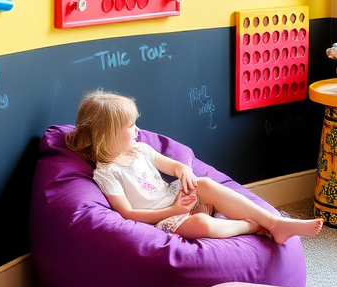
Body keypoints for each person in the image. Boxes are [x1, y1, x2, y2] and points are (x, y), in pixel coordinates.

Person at [66, 89, 322, 243]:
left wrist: (185, 172)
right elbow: (128, 214)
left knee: (206, 183)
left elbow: (175, 166)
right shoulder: (107, 173)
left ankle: (273, 222)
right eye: (131, 126)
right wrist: (173, 211)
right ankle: (253, 226)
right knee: (199, 224)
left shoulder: (140, 149)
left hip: (177, 200)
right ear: (107, 135)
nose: (138, 130)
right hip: (162, 219)